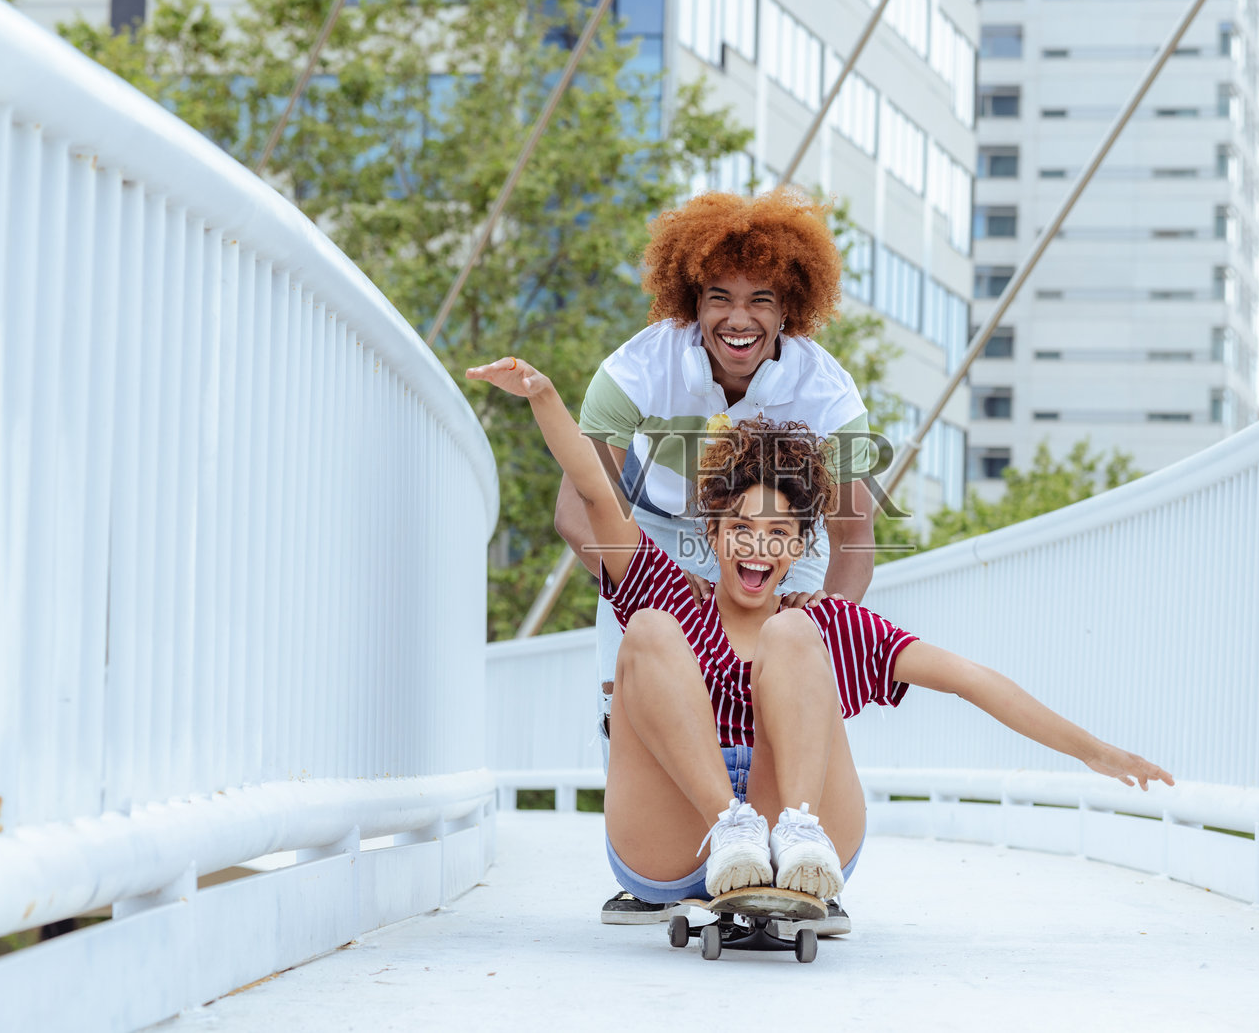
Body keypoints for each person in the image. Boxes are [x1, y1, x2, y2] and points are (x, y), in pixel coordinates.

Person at [466, 355, 1175, 918]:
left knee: (798, 633)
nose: (756, 548)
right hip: (676, 832)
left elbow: (968, 677)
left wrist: (1099, 751)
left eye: (778, 534)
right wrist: (545, 396)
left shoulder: (819, 620)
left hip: (798, 821)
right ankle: (729, 825)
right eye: (741, 528)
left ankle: (796, 832)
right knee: (645, 628)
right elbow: (595, 492)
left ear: (800, 542)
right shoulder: (669, 592)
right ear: (711, 533)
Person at [551, 189, 880, 926]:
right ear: (689, 303)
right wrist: (655, 587)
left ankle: (798, 854)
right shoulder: (634, 369)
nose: (739, 318)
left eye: (761, 299)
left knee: (793, 671)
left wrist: (824, 618)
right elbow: (577, 510)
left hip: (779, 535)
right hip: (657, 524)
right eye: (718, 297)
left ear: (789, 308)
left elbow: (855, 537)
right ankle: (664, 868)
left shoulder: (829, 393)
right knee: (633, 685)